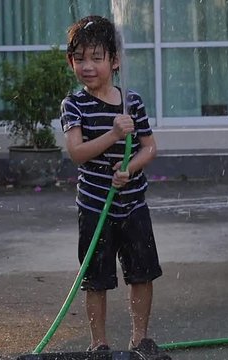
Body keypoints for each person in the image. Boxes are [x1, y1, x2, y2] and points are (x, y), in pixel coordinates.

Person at [60, 15, 165, 356]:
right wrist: (114, 134)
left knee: (142, 273)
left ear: (115, 60)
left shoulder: (131, 102)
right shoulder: (74, 105)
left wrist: (129, 169)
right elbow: (77, 153)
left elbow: (149, 147)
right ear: (70, 62)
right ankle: (98, 343)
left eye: (96, 58)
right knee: (97, 277)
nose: (87, 66)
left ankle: (139, 338)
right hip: (95, 207)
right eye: (79, 59)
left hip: (133, 203)